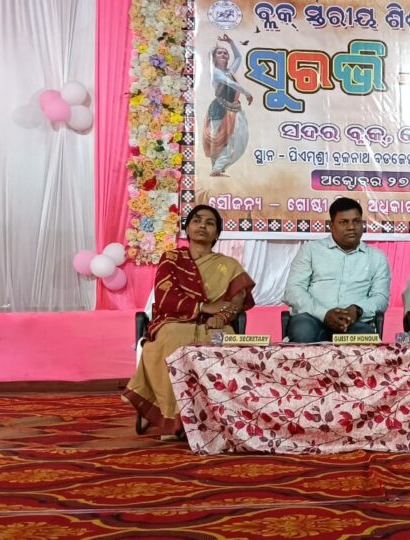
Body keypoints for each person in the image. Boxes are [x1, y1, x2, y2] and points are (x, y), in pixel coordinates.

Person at [123, 205, 255, 440]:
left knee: (223, 342)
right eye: (197, 220)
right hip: (174, 321)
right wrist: (203, 307)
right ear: (187, 229)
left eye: (210, 223)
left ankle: (219, 419)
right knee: (174, 337)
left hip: (214, 324)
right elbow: (165, 296)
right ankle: (175, 420)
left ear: (217, 234)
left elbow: (237, 299)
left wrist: (221, 317)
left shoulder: (229, 265)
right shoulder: (171, 259)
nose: (203, 225)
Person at [284, 198, 390, 342]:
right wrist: (325, 314)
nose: (351, 227)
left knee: (364, 338)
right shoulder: (310, 250)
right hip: (312, 318)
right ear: (331, 225)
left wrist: (357, 310)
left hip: (354, 322)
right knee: (303, 331)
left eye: (356, 221)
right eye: (344, 222)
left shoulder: (377, 257)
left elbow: (380, 297)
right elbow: (293, 290)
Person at [203, 34, 253, 177]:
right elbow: (231, 84)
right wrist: (247, 93)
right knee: (218, 139)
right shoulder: (216, 73)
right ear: (214, 57)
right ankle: (216, 168)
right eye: (219, 53)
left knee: (235, 138)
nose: (223, 54)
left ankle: (217, 168)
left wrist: (231, 42)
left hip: (232, 109)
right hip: (219, 109)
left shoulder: (230, 71)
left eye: (225, 53)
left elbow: (238, 58)